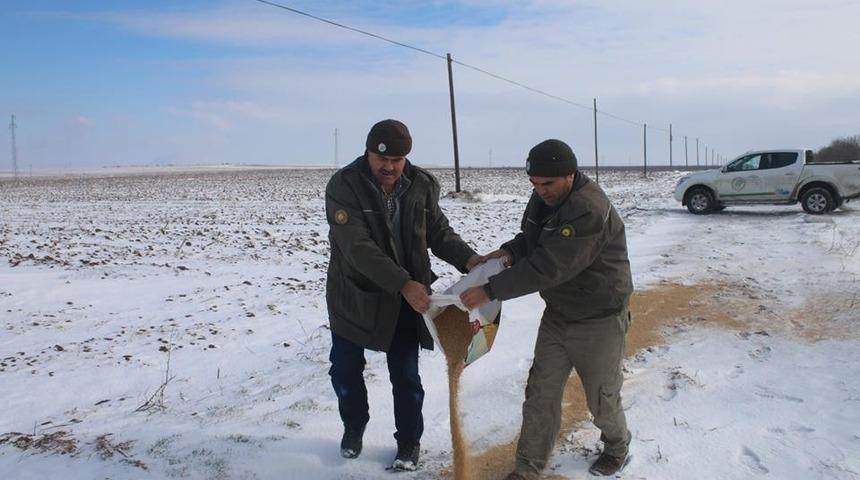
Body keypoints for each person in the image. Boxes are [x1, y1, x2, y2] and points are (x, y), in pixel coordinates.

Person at [460, 139, 634, 478]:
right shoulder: (546, 197)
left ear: (569, 174)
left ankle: (617, 445)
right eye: (535, 184)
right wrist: (509, 252)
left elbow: (551, 265)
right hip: (559, 315)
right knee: (540, 394)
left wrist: (491, 290)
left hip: (599, 318)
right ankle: (528, 468)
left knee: (602, 398)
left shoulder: (588, 207)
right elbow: (533, 238)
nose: (541, 191)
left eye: (548, 184)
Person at [325, 119, 482, 472]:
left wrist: (469, 259)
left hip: (405, 299)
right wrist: (403, 282)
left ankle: (409, 442)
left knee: (406, 374)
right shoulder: (343, 185)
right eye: (382, 159)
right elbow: (357, 247)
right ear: (367, 152)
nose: (389, 166)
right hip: (355, 293)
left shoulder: (422, 185)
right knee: (345, 369)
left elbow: (438, 231)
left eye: (397, 159)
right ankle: (354, 425)